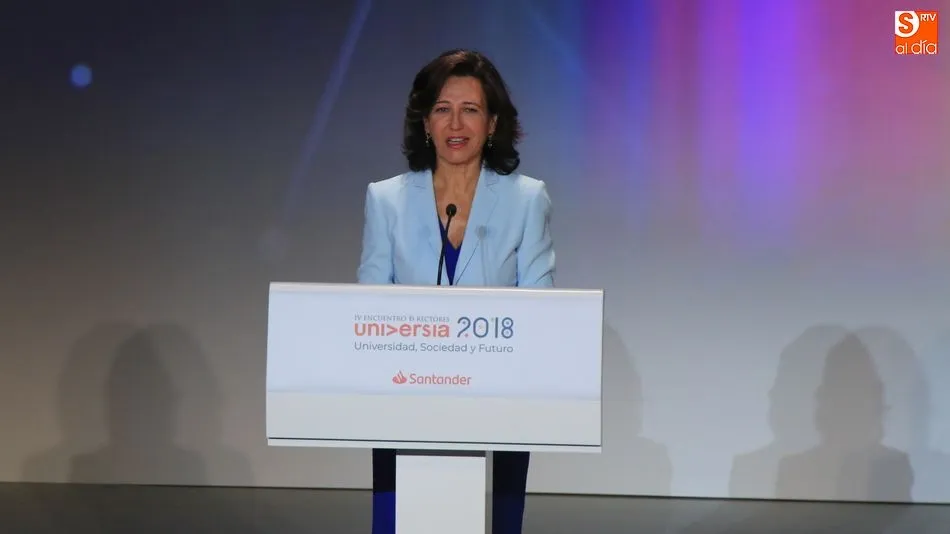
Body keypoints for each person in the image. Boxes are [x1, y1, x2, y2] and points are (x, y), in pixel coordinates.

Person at [356, 49, 556, 534]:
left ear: (492, 124)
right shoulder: (386, 199)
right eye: (443, 109)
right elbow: (368, 301)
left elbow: (542, 307)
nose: (456, 123)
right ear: (425, 122)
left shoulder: (526, 198)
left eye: (471, 109)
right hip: (407, 398)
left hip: (502, 397)